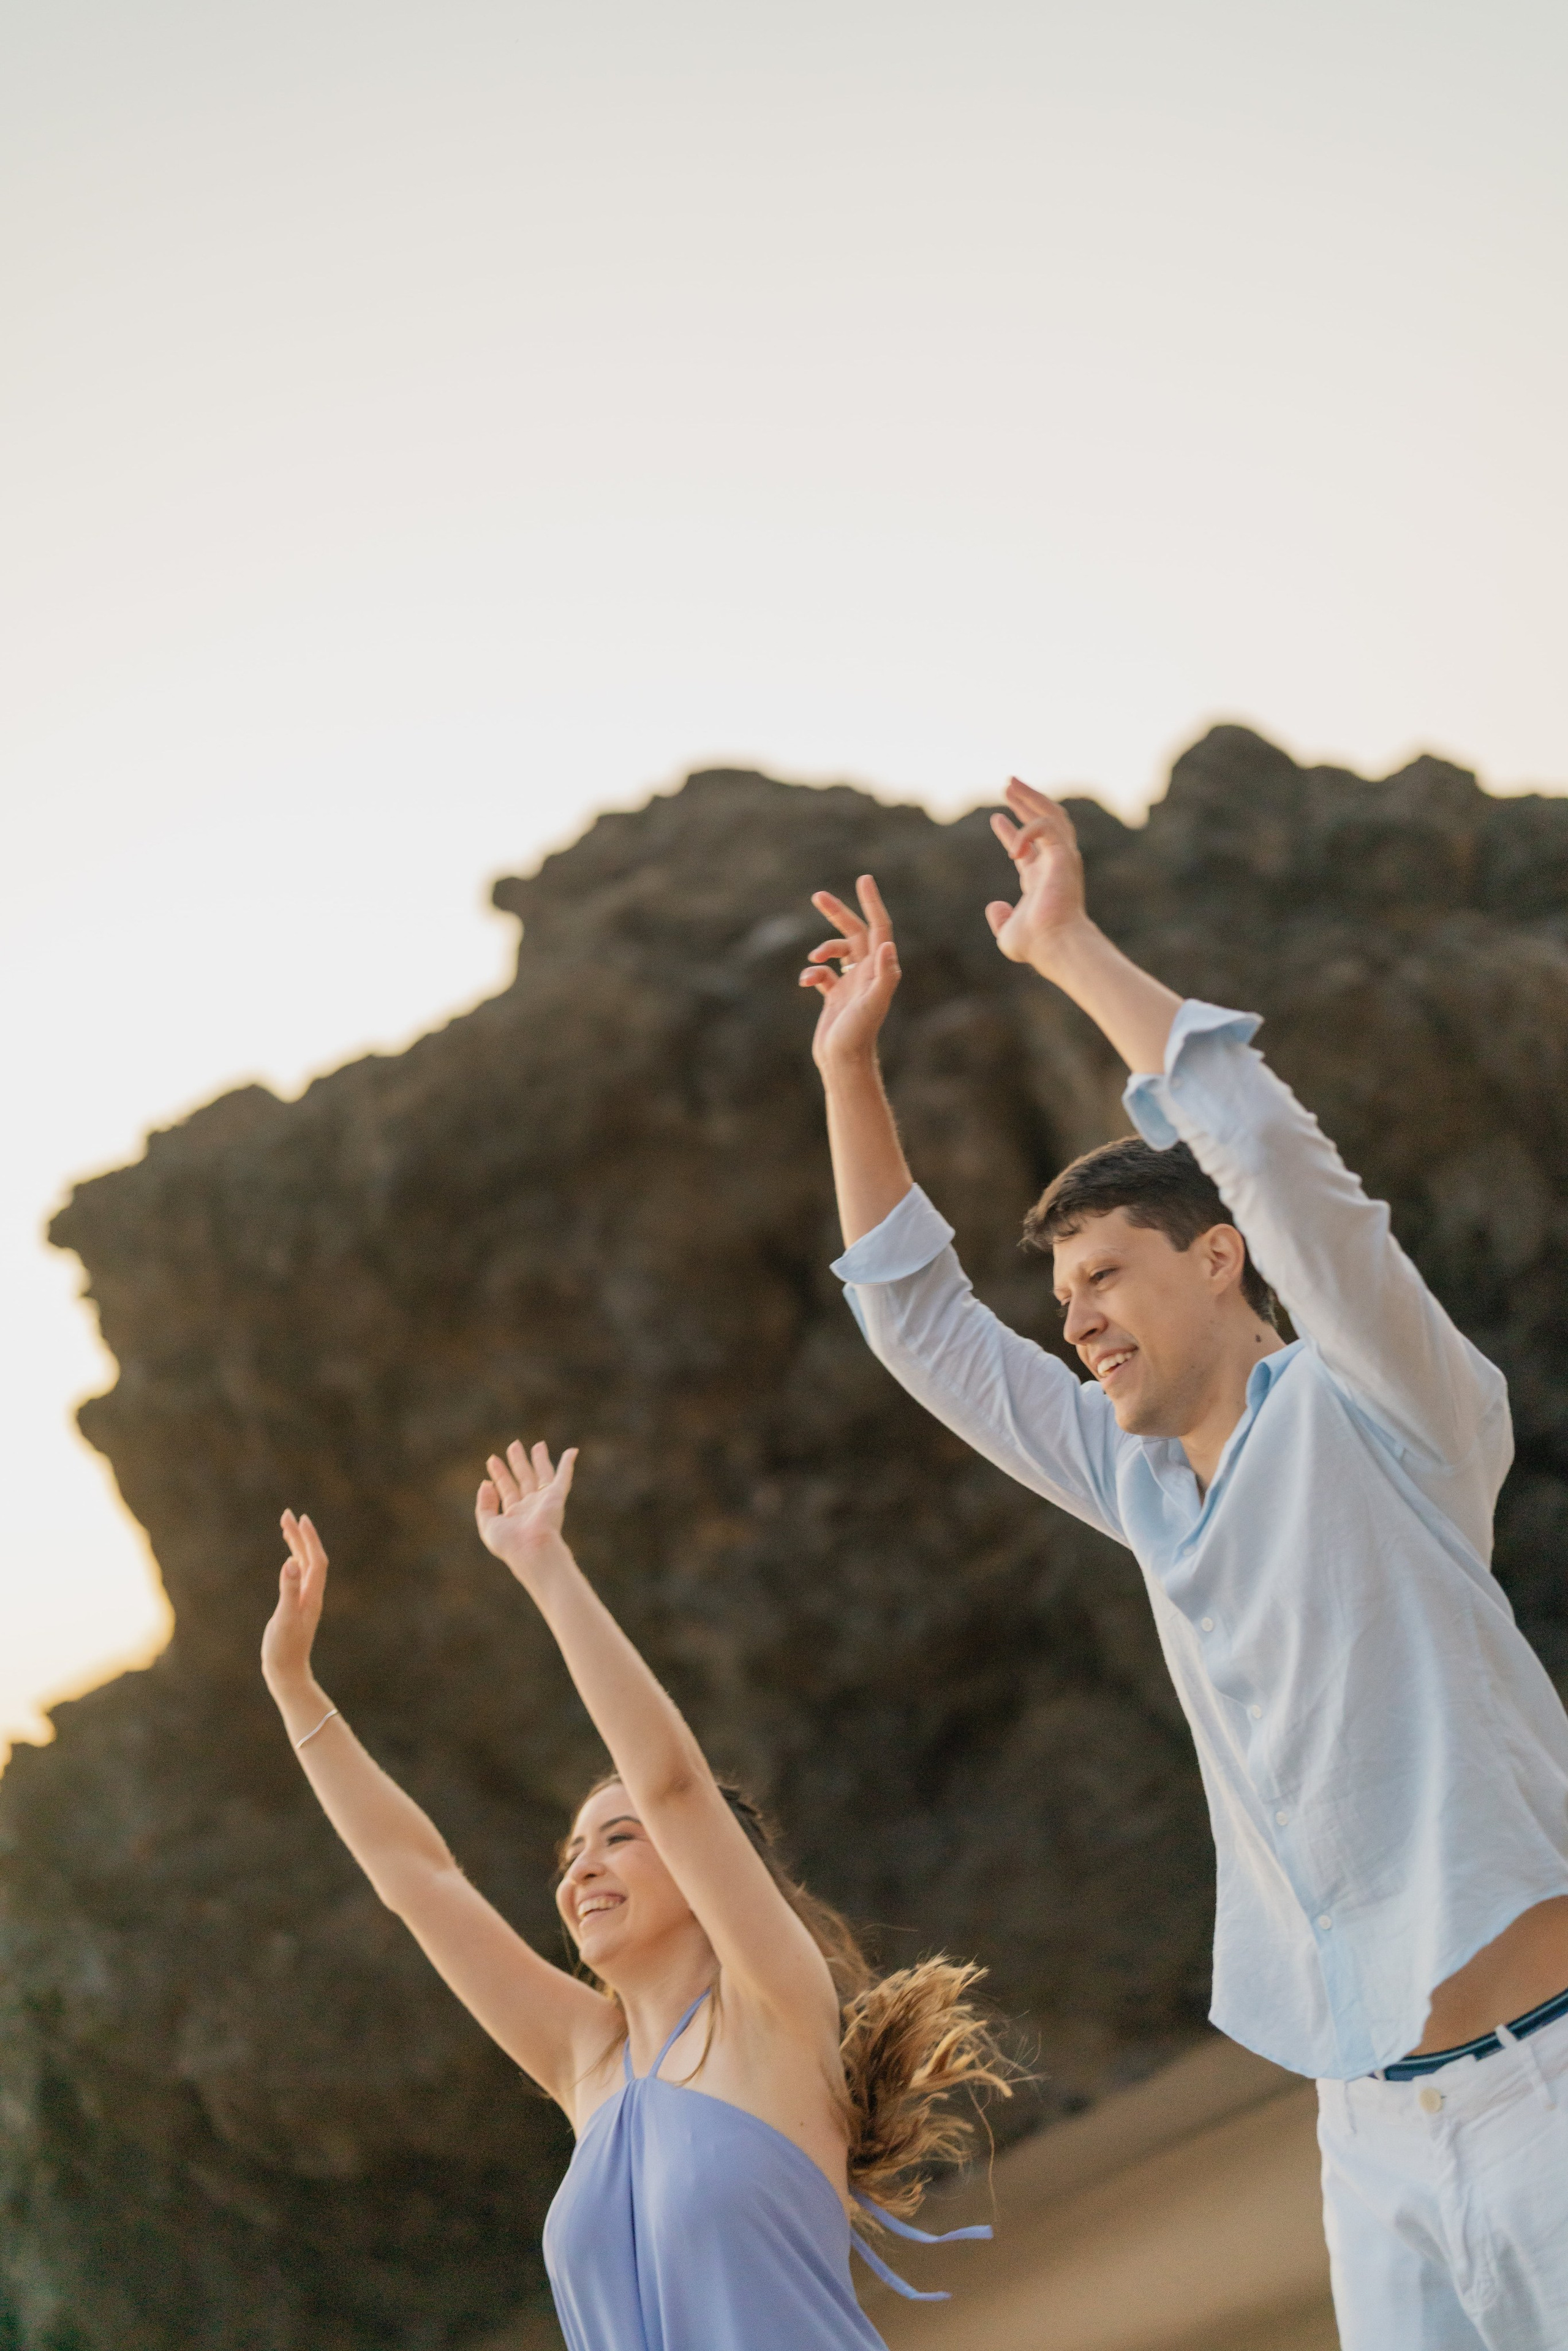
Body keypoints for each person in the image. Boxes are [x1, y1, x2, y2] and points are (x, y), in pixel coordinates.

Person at [799, 777, 1568, 2351]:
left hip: (1543, 2090)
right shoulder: (1137, 1481)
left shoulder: (1384, 1409)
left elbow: (1273, 1157)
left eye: (1103, 1273)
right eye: (1060, 1290)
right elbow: (920, 1325)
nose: (1072, 1314)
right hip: (1366, 2139)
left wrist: (1072, 950)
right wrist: (848, 1067)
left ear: (1215, 1259)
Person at [260, 1439, 1007, 2351]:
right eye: (573, 1853)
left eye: (619, 1839)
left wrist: (545, 1564)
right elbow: (419, 1880)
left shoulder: (773, 2009)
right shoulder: (589, 2065)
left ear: (704, 1873)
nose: (582, 1870)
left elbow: (673, 1783)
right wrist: (295, 1691)